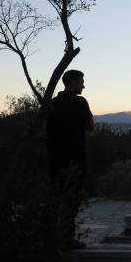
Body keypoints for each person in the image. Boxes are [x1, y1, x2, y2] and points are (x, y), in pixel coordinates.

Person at [46, 69, 95, 249]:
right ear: (72, 82)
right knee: (72, 197)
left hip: (54, 157)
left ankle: (51, 236)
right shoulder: (80, 102)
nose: (83, 85)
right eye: (81, 81)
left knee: (56, 195)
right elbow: (90, 128)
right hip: (75, 157)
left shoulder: (52, 103)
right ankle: (66, 238)